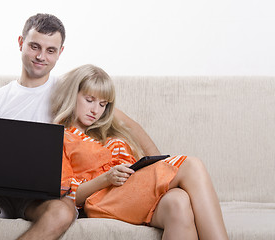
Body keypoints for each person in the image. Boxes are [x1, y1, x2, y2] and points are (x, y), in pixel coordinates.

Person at [0, 14, 161, 240]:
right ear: (21, 43)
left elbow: (128, 125)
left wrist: (156, 167)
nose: (41, 56)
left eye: (50, 50)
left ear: (60, 53)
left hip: (41, 199)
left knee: (64, 211)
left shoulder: (69, 92)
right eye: (34, 46)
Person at [52, 64, 229, 240]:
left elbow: (131, 127)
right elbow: (67, 195)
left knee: (178, 201)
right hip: (102, 199)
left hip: (132, 190)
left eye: (102, 104)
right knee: (192, 165)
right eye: (89, 100)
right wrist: (106, 178)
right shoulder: (60, 137)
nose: (95, 110)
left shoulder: (103, 130)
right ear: (72, 95)